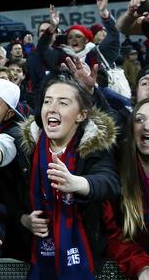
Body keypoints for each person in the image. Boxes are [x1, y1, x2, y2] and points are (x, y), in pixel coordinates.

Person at [19, 73, 119, 279]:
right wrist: (23, 219)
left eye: (63, 103)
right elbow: (8, 195)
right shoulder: (27, 148)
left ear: (81, 115)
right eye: (47, 101)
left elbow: (109, 181)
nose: (52, 108)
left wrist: (77, 183)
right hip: (36, 254)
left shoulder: (94, 147)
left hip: (86, 252)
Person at [104, 96, 149, 280]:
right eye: (140, 119)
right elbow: (112, 234)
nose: (147, 126)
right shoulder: (114, 174)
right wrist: (141, 266)